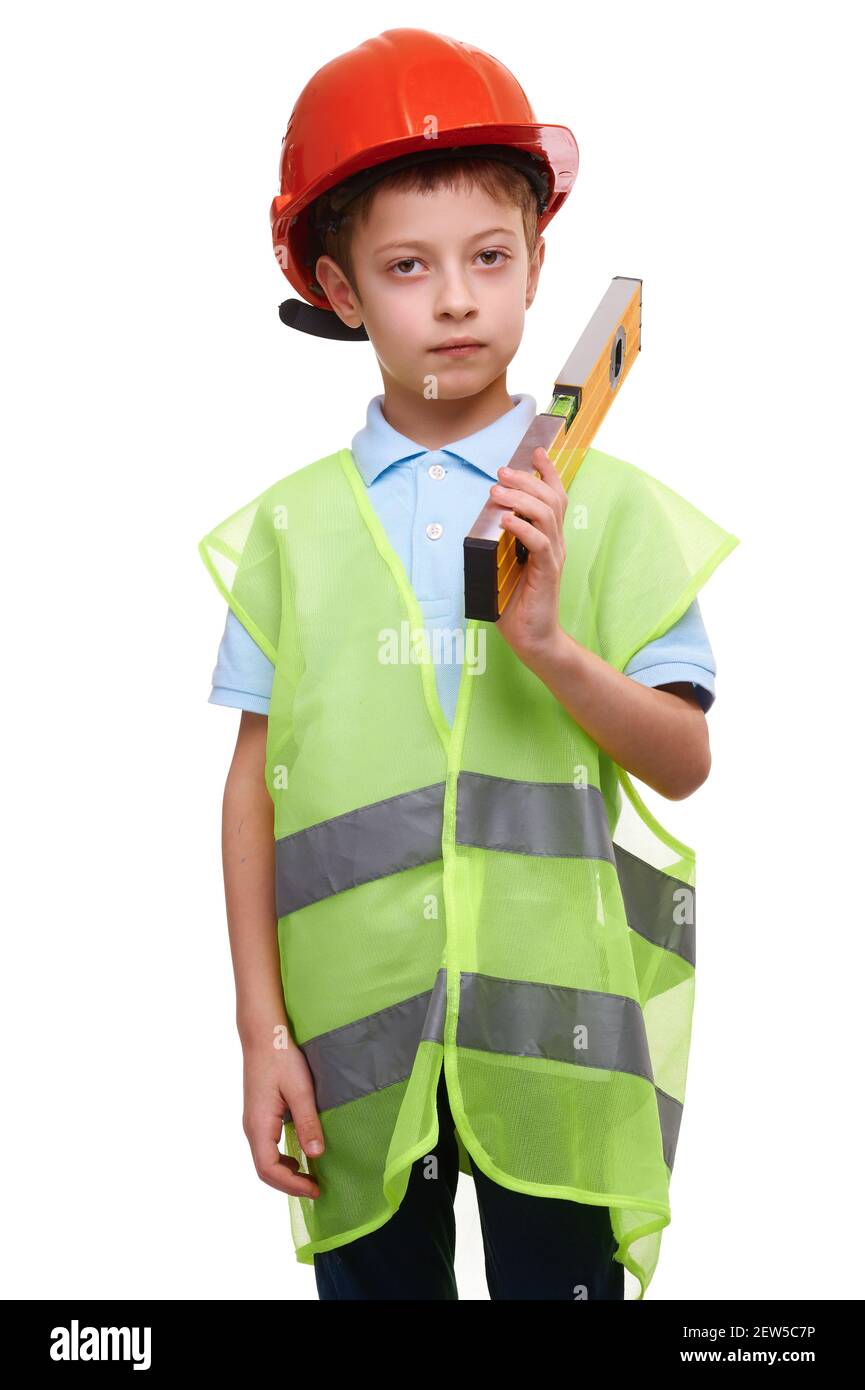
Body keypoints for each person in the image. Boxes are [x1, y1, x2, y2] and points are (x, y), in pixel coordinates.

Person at [198, 28, 738, 1301]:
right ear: (338, 292)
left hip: (555, 1040)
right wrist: (259, 1030)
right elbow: (250, 792)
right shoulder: (291, 525)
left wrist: (547, 646)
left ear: (539, 265)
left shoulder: (600, 505)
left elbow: (687, 758)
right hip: (359, 1049)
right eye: (406, 267)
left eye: (488, 259)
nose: (454, 300)